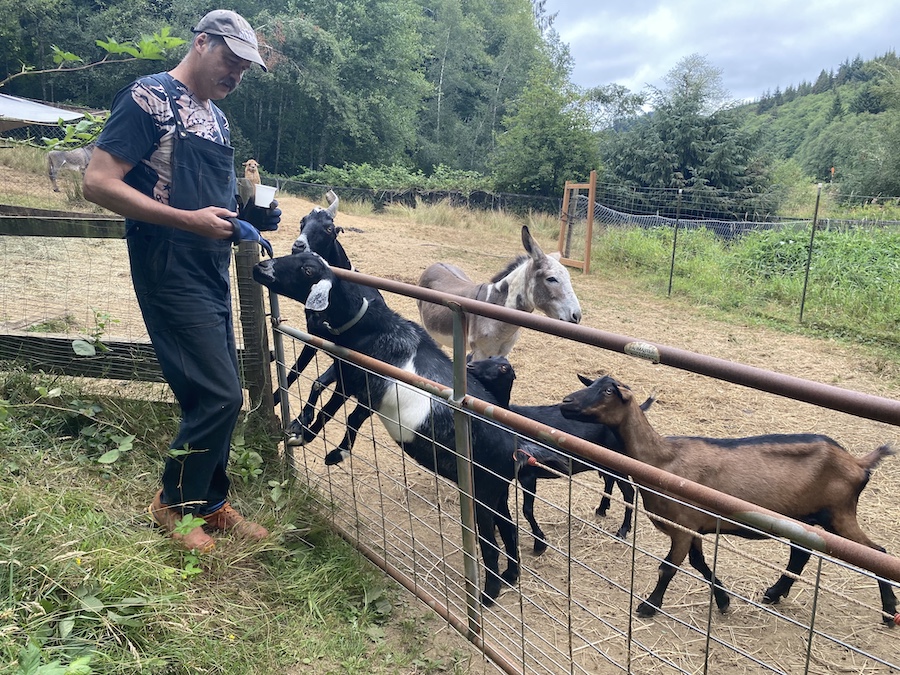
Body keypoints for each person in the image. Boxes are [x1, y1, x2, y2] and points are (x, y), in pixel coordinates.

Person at [83, 9, 281, 552]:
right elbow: (98, 183)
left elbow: (205, 202)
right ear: (201, 43)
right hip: (167, 262)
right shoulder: (147, 98)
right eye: (230, 60)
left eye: (245, 68)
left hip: (209, 267)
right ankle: (171, 505)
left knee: (221, 391)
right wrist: (187, 221)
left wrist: (248, 215)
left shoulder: (213, 118)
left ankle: (210, 502)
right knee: (218, 394)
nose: (236, 74)